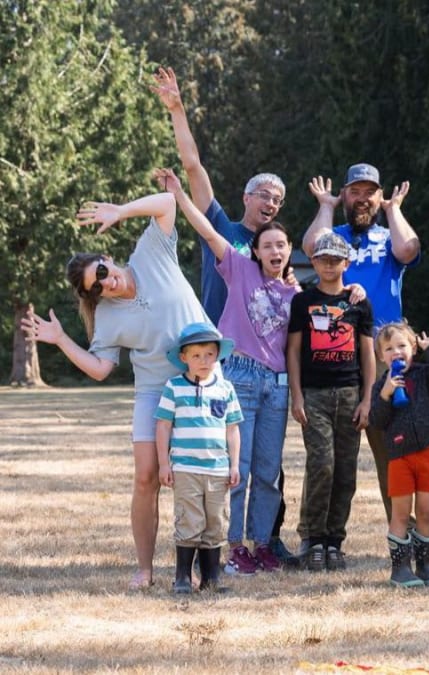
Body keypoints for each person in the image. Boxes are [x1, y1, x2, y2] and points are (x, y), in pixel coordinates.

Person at [23, 189, 206, 590]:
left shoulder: (150, 252)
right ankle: (145, 570)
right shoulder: (106, 317)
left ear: (107, 258)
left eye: (102, 272)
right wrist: (61, 340)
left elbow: (168, 202)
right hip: (154, 392)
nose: (107, 283)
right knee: (146, 478)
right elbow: (100, 369)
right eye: (97, 287)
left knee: (195, 476)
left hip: (201, 383)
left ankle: (194, 567)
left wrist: (122, 211)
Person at [151, 67, 298, 565]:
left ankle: (265, 541)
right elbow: (194, 168)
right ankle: (219, 542)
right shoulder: (225, 233)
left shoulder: (278, 261)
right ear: (246, 198)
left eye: (278, 199)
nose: (270, 202)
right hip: (216, 357)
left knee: (265, 463)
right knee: (224, 458)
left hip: (268, 368)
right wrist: (177, 110)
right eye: (264, 195)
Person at [305, 164, 420, 525]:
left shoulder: (388, 235)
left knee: (392, 445)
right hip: (337, 350)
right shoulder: (335, 237)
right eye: (354, 191)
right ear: (344, 195)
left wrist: (393, 209)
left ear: (379, 196)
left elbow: (408, 250)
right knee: (331, 453)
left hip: (386, 353)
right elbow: (311, 246)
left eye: (370, 192)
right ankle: (320, 534)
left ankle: (400, 528)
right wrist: (326, 206)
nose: (362, 199)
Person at [286, 233, 375, 572]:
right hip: (315, 394)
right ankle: (312, 538)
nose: (328, 265)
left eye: (335, 260)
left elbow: (367, 354)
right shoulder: (303, 301)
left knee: (345, 470)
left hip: (349, 394)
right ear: (313, 261)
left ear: (346, 263)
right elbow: (293, 351)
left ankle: (335, 540)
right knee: (321, 464)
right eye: (322, 259)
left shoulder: (358, 303)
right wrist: (297, 394)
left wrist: (367, 399)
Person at [155, 323, 242, 594]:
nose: (204, 361)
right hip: (186, 468)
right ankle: (182, 577)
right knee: (189, 521)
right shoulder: (174, 387)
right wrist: (164, 463)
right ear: (184, 358)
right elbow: (163, 426)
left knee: (216, 522)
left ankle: (211, 579)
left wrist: (234, 464)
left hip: (218, 470)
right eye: (196, 355)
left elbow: (232, 429)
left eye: (209, 354)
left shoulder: (225, 389)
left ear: (218, 356)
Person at [370, 323, 429, 588]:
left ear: (413, 348)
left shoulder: (423, 374)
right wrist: (385, 394)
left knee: (426, 511)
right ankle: (401, 569)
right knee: (401, 514)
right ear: (381, 356)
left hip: (427, 451)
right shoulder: (381, 385)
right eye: (388, 349)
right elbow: (377, 421)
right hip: (399, 457)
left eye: (402, 346)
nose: (396, 352)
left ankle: (426, 566)